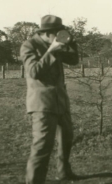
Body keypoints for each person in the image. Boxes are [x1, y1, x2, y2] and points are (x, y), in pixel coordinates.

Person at [20, 15, 79, 184]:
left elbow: (74, 60)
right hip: (42, 104)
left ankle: (64, 173)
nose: (60, 36)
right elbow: (34, 72)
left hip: (60, 100)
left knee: (66, 139)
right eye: (57, 33)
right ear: (47, 33)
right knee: (42, 146)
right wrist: (51, 51)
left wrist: (71, 43)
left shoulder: (55, 44)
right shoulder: (29, 45)